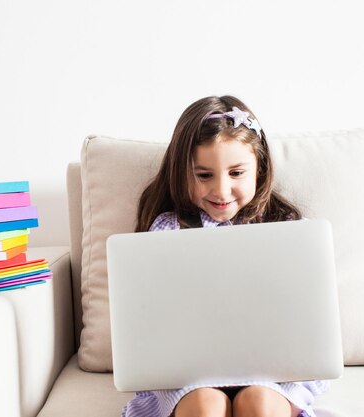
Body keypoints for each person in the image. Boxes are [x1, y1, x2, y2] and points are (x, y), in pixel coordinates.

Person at [123, 95, 329, 417]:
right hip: (187, 374)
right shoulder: (169, 230)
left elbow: (310, 318)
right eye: (204, 175)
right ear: (182, 172)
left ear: (259, 169)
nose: (220, 191)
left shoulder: (288, 230)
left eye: (236, 173)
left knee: (260, 403)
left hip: (273, 371)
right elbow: (152, 319)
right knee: (205, 405)